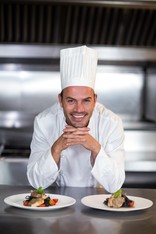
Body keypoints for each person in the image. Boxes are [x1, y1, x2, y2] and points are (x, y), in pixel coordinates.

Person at [27, 45, 125, 193]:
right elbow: (36, 182)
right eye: (71, 100)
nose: (79, 109)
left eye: (86, 100)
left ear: (95, 99)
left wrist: (95, 148)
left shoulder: (111, 123)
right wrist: (56, 148)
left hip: (99, 206)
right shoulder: (44, 122)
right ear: (60, 100)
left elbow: (114, 185)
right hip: (57, 204)